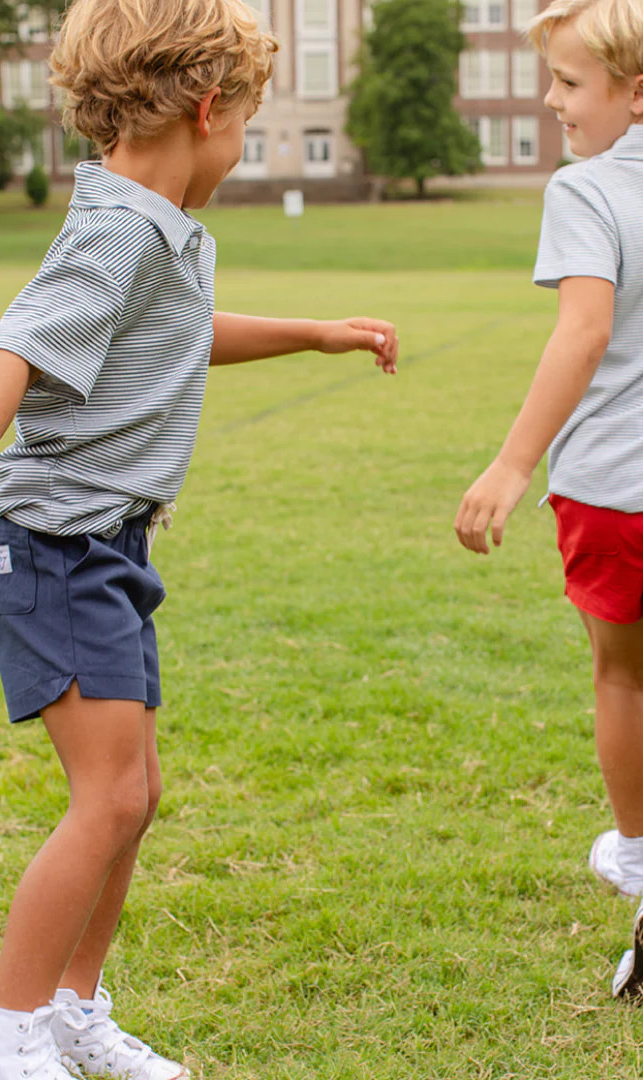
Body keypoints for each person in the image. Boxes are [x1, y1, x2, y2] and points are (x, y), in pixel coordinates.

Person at [0, 0, 399, 1077]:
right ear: (206, 107)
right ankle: (2, 1042)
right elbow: (11, 352)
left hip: (109, 550)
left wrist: (312, 334)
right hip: (57, 546)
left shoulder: (154, 225)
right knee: (110, 800)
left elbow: (178, 335)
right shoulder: (121, 229)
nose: (244, 144)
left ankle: (70, 1013)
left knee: (134, 798)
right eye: (250, 124)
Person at [454, 0, 643, 999]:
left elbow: (584, 330)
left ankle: (640, 860)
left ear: (636, 93)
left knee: (626, 677)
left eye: (569, 82)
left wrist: (512, 463)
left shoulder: (586, 187)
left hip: (614, 491)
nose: (550, 99)